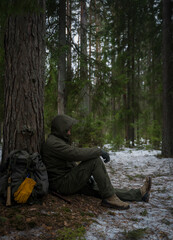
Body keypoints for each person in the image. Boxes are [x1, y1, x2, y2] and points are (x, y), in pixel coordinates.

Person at [42, 114, 152, 210]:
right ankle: (110, 199)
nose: (70, 132)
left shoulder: (57, 141)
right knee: (94, 160)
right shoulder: (53, 144)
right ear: (60, 129)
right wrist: (99, 151)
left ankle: (139, 194)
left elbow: (67, 161)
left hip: (67, 180)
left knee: (104, 189)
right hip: (62, 184)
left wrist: (84, 175)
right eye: (67, 130)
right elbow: (75, 154)